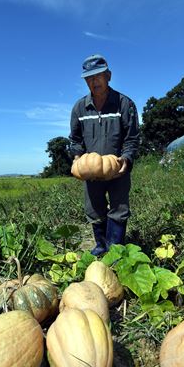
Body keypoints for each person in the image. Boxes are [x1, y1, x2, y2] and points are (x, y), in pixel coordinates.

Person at [69, 54, 140, 256]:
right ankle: (101, 247)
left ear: (108, 76)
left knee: (119, 209)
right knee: (94, 210)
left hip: (117, 167)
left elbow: (132, 137)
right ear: (85, 81)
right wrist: (77, 157)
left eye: (98, 76)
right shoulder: (79, 108)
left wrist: (126, 158)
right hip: (91, 170)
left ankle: (115, 250)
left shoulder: (124, 104)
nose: (94, 81)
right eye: (89, 78)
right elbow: (75, 139)